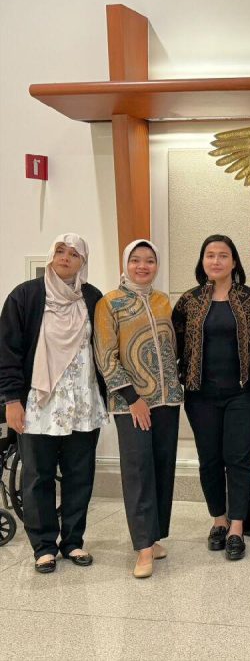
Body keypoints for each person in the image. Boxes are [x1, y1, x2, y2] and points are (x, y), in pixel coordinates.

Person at [0, 234, 106, 573]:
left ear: (83, 262)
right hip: (38, 404)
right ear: (50, 256)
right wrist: (11, 399)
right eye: (60, 251)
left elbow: (104, 350)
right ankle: (44, 547)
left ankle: (73, 541)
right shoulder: (27, 296)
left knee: (80, 476)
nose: (66, 257)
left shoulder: (92, 298)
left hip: (83, 404)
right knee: (37, 477)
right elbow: (8, 351)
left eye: (74, 254)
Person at [172, 234, 250, 562]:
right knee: (210, 461)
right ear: (202, 261)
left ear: (234, 262)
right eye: (210, 255)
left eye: (222, 255)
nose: (215, 261)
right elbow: (171, 348)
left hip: (243, 394)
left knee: (239, 458)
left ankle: (237, 527)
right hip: (200, 396)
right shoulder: (188, 302)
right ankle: (218, 520)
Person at [93, 240, 184, 578]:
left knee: (162, 468)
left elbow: (172, 347)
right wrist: (133, 398)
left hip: (167, 401)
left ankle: (154, 536)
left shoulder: (162, 301)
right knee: (138, 470)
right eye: (136, 260)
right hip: (130, 403)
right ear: (125, 264)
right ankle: (142, 549)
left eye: (149, 261)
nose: (143, 266)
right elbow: (105, 356)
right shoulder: (109, 303)